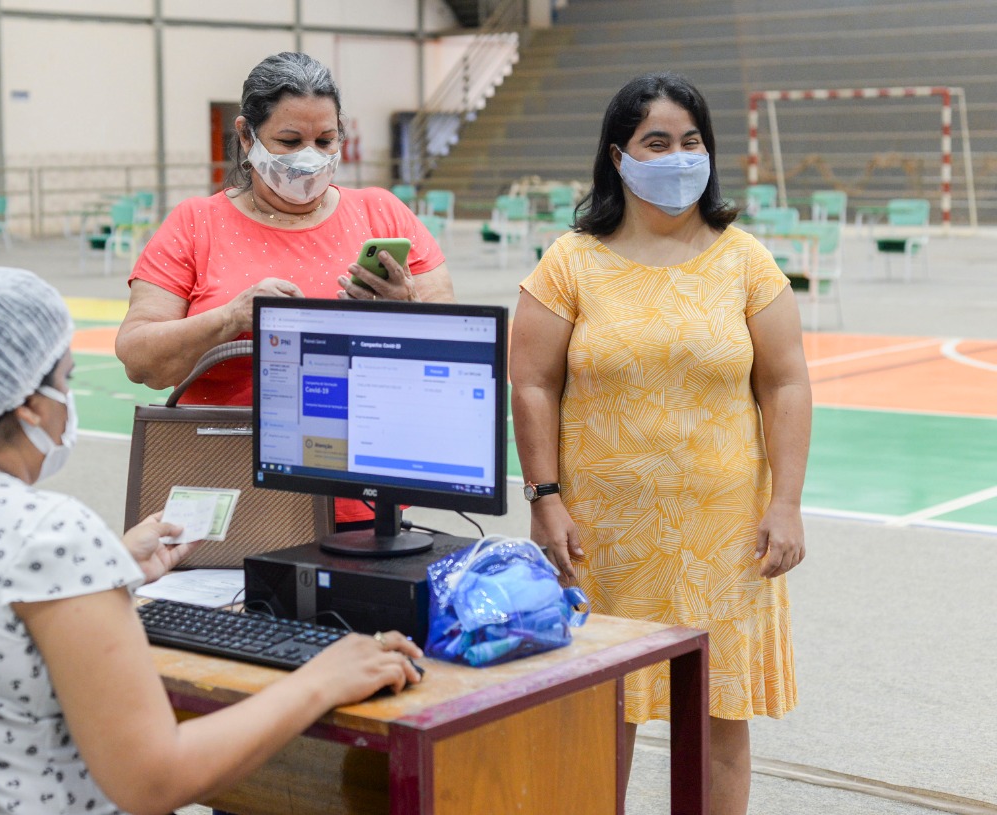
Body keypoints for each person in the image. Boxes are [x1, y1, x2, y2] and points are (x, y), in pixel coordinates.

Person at [0, 266, 423, 815]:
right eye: (66, 381)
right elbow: (153, 780)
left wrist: (107, 569)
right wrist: (320, 678)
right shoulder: (45, 534)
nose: (68, 403)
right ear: (28, 405)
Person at [509, 73, 811, 815]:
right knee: (600, 711)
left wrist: (788, 503)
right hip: (601, 534)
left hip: (724, 532)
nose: (677, 157)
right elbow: (532, 384)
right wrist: (545, 500)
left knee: (717, 716)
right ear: (619, 156)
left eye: (691, 141)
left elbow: (787, 385)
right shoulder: (570, 262)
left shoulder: (745, 260)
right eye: (656, 143)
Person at [115, 51, 455, 529]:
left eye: (326, 139)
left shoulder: (383, 214)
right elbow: (139, 359)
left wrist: (403, 312)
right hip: (224, 486)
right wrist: (230, 318)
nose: (310, 157)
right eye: (290, 141)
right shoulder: (196, 225)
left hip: (357, 490)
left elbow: (452, 353)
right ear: (246, 136)